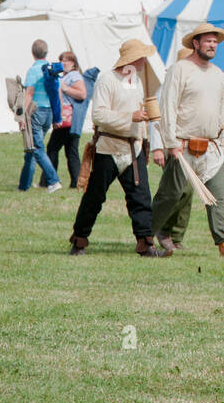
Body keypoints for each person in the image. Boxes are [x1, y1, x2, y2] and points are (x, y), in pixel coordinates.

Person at [151, 24, 224, 258]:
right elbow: (168, 105)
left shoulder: (216, 73)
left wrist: (221, 144)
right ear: (196, 43)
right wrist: (170, 142)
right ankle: (144, 236)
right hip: (183, 145)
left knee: (217, 197)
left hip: (211, 147)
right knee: (170, 195)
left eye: (215, 42)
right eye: (208, 41)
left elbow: (220, 111)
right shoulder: (180, 69)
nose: (213, 45)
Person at [68, 39, 169, 257]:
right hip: (108, 148)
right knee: (94, 198)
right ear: (131, 59)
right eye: (142, 56)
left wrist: (144, 134)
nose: (144, 60)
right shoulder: (107, 79)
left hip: (133, 150)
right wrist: (130, 117)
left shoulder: (136, 81)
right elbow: (99, 115)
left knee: (141, 198)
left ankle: (146, 244)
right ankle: (79, 241)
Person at [150, 47, 193, 250]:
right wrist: (158, 147)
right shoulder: (167, 86)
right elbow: (157, 120)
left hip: (192, 145)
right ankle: (154, 231)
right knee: (173, 192)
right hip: (172, 145)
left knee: (188, 192)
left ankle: (175, 234)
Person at [17, 39, 61, 193]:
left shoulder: (34, 70)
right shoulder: (51, 69)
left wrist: (22, 116)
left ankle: (54, 180)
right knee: (32, 148)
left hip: (36, 111)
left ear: (32, 53)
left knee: (36, 148)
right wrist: (57, 117)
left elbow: (29, 94)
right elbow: (57, 95)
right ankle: (23, 186)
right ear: (46, 52)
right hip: (48, 112)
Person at [40, 51, 88, 189]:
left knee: (52, 149)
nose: (64, 63)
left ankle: (49, 180)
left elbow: (82, 94)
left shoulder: (74, 76)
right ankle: (77, 183)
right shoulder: (65, 76)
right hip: (71, 121)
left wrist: (65, 88)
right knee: (71, 152)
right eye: (62, 60)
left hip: (67, 119)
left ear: (74, 63)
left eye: (67, 60)